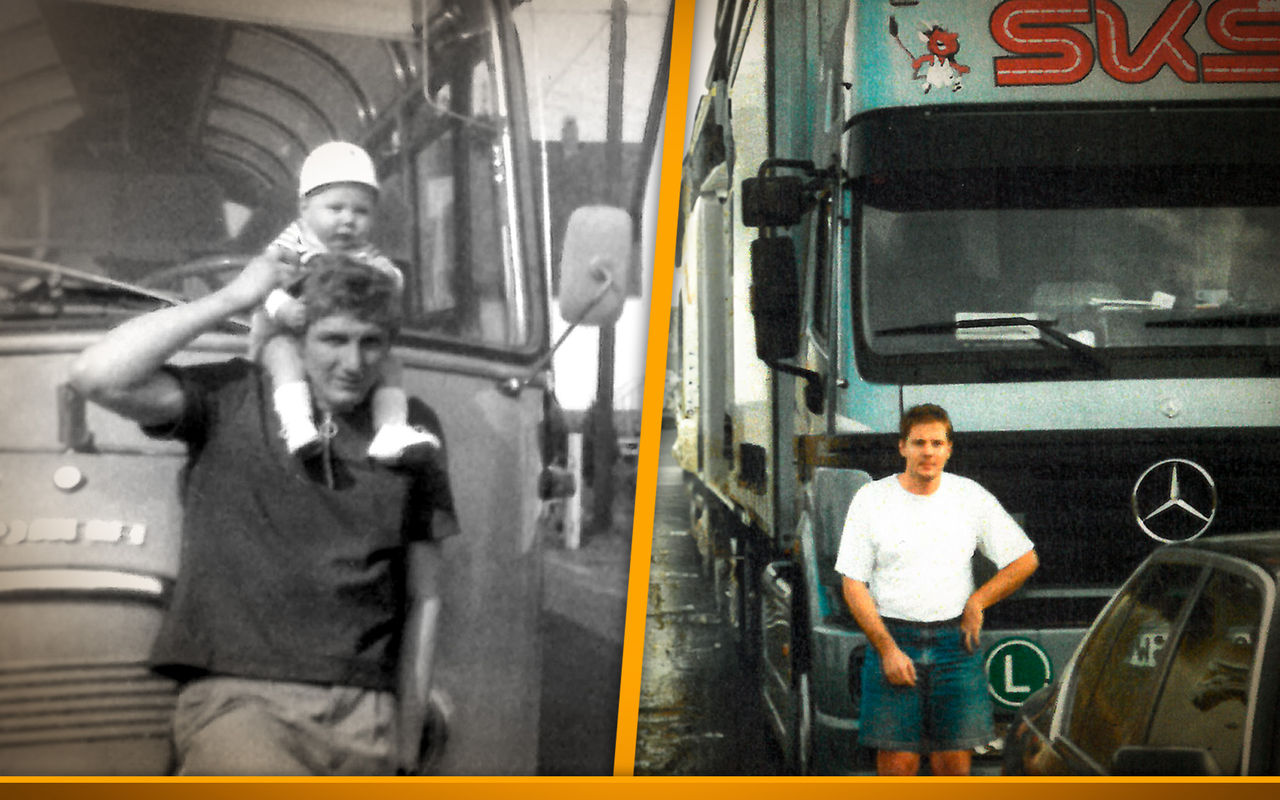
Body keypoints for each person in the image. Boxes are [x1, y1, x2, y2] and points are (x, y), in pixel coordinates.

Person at [69, 253, 455, 775]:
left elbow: (424, 594)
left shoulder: (410, 427)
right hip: (243, 703)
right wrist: (231, 299)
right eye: (333, 340)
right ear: (297, 338)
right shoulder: (232, 397)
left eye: (371, 342)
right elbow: (96, 376)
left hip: (367, 715)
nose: (353, 362)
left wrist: (407, 736)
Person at [834, 403, 1038, 776]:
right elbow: (853, 583)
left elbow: (1024, 560)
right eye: (918, 442)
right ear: (902, 448)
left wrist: (979, 600)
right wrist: (887, 649)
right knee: (898, 764)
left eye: (936, 443)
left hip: (956, 647)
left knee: (953, 767)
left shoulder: (970, 496)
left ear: (948, 449)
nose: (928, 451)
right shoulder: (871, 499)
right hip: (894, 641)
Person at [254, 140, 437, 462]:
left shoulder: (365, 254)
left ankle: (390, 430)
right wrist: (282, 307)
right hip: (284, 334)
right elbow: (262, 283)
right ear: (304, 209)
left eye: (361, 211)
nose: (348, 220)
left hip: (336, 346)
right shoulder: (293, 243)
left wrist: (389, 280)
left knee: (391, 364)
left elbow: (390, 281)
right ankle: (296, 424)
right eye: (336, 208)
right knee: (282, 354)